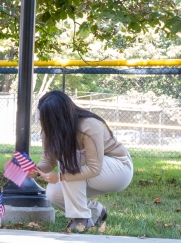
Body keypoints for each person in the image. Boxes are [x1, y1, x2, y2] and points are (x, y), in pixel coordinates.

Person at [28, 90, 133, 230]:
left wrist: (60, 176)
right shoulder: (51, 130)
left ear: (59, 117)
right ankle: (95, 211)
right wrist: (35, 170)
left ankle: (82, 220)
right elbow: (48, 161)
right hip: (86, 170)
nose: (43, 124)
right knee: (53, 193)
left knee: (70, 160)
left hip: (118, 170)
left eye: (47, 120)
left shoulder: (89, 126)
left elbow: (94, 168)